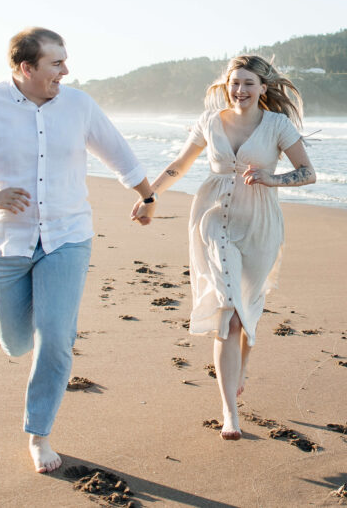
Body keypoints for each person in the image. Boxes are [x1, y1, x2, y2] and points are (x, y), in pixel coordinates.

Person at [0, 27, 157, 473]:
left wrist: (147, 198)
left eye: (65, 61)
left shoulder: (78, 105)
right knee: (16, 342)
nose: (65, 71)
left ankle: (39, 434)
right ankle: (44, 319)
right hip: (6, 240)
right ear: (26, 67)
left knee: (54, 338)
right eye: (56, 63)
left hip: (67, 236)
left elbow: (118, 152)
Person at [131, 55, 315, 440]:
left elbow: (308, 174)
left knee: (248, 309)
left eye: (249, 83)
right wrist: (150, 197)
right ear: (226, 85)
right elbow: (179, 166)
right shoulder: (209, 122)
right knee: (228, 312)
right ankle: (229, 413)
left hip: (261, 224)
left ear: (263, 88)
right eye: (235, 83)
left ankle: (241, 368)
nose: (240, 90)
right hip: (214, 220)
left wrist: (271, 177)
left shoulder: (277, 125)